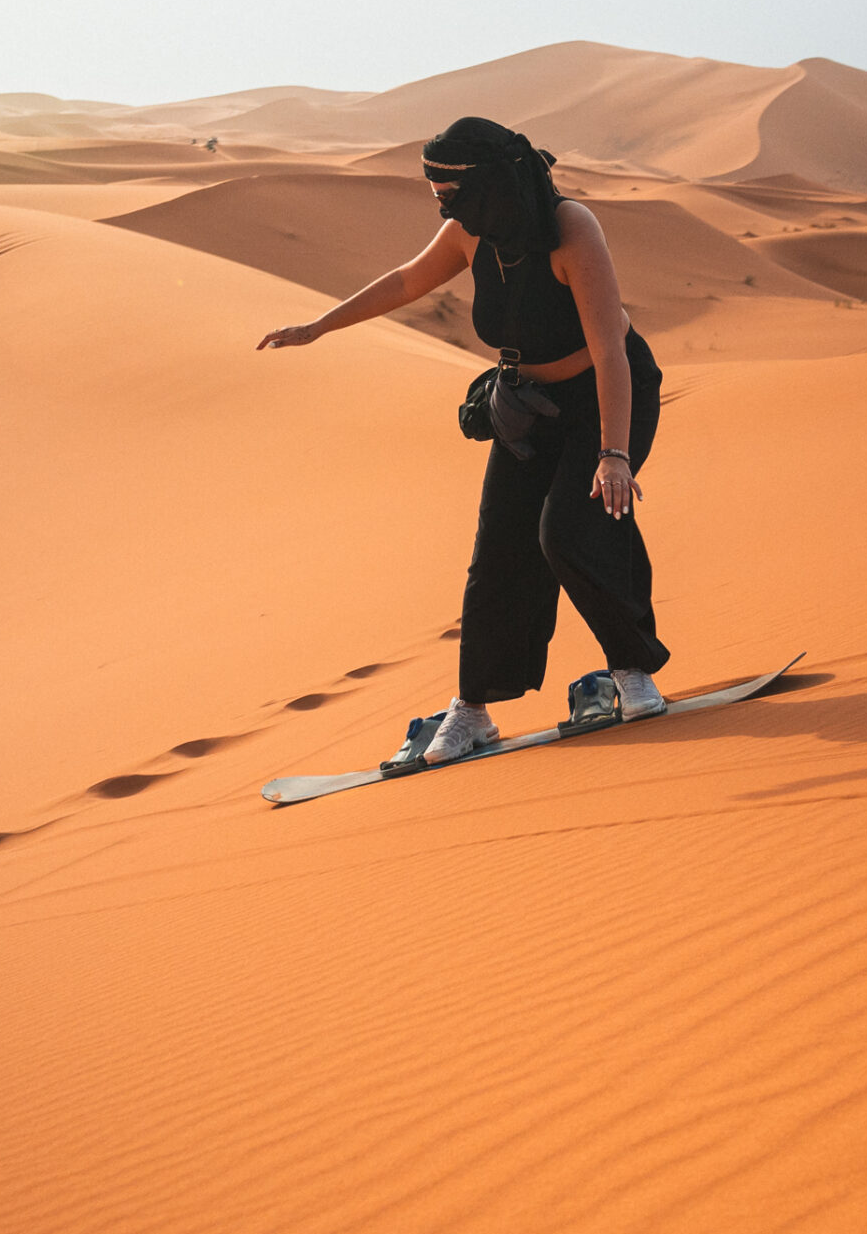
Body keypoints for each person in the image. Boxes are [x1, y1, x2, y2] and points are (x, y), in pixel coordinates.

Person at [257, 116, 670, 763]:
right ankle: (473, 709)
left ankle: (631, 671)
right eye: (437, 192)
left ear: (493, 182)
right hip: (527, 407)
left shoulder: (571, 228)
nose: (441, 204)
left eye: (449, 190)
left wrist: (614, 454)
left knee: (573, 528)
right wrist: (319, 326)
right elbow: (404, 280)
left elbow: (611, 350)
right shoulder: (470, 230)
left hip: (604, 393)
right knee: (499, 551)